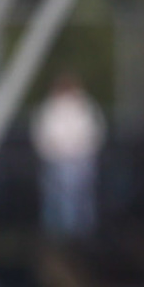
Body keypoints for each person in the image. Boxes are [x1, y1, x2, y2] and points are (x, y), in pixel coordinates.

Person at [31, 74, 104, 238]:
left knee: (80, 195)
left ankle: (81, 232)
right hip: (57, 160)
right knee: (58, 197)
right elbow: (42, 135)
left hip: (80, 159)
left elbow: (94, 132)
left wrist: (83, 149)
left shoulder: (84, 106)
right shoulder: (51, 108)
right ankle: (61, 233)